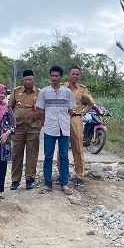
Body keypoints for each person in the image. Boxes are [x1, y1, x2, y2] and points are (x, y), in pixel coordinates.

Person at [35, 66, 75, 195]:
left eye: (57, 76)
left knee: (64, 156)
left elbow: (71, 110)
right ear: (50, 76)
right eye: (52, 75)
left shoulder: (67, 92)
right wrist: (44, 122)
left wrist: (65, 120)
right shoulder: (44, 92)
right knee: (48, 156)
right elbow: (40, 109)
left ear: (61, 77)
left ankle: (64, 183)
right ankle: (47, 184)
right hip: (50, 127)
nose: (54, 78)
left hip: (64, 128)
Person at [8, 69, 42, 191]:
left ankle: (30, 179)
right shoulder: (16, 91)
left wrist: (40, 124)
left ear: (34, 80)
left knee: (32, 153)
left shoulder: (39, 93)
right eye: (26, 79)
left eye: (30, 79)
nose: (28, 82)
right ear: (23, 80)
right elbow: (10, 108)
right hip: (18, 128)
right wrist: (10, 123)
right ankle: (15, 180)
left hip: (33, 128)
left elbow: (43, 109)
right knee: (16, 153)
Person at [65, 66, 95, 188]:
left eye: (77, 74)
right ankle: (63, 174)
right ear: (68, 75)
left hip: (76, 119)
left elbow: (91, 103)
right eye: (73, 74)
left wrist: (83, 113)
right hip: (63, 119)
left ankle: (79, 175)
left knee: (78, 146)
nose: (75, 76)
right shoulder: (62, 87)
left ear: (80, 76)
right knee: (62, 148)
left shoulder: (82, 89)